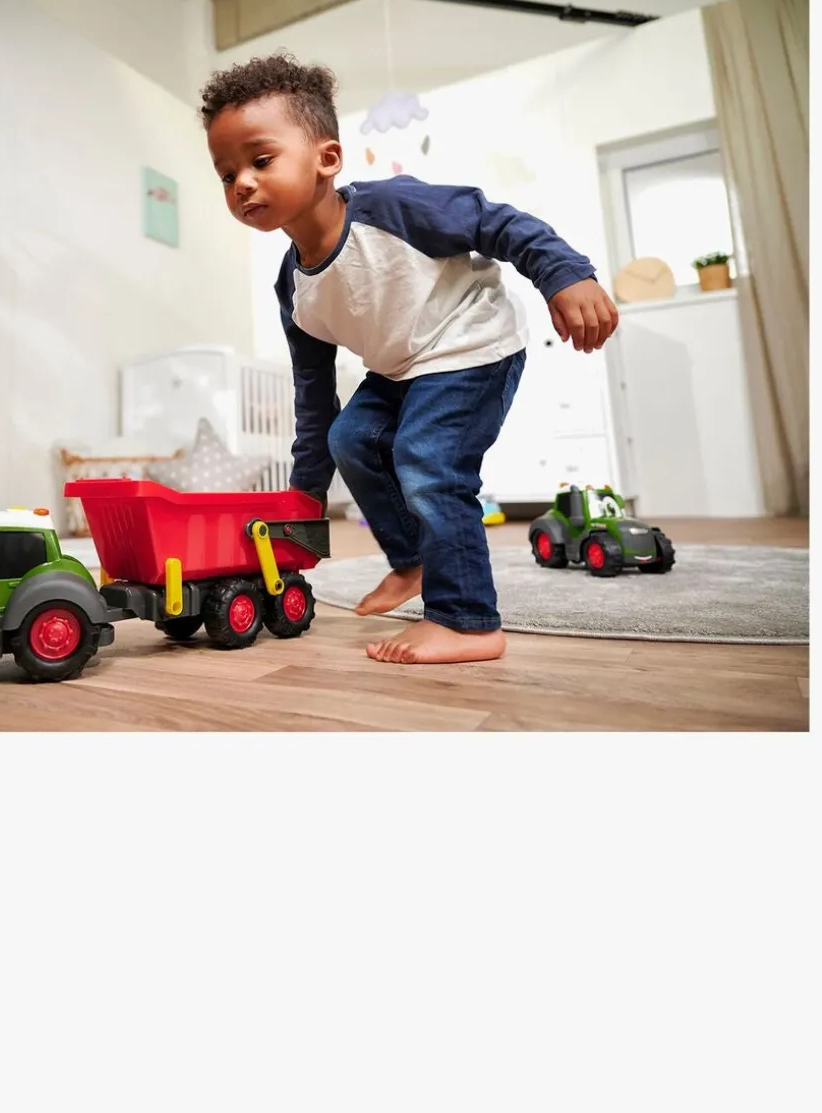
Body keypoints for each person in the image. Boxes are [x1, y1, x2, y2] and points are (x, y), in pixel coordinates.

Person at [200, 53, 619, 665]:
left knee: (426, 460)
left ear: (327, 159)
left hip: (471, 344)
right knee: (351, 439)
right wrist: (304, 495)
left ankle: (467, 621)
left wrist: (564, 275)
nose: (241, 183)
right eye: (226, 173)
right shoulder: (293, 287)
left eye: (260, 161)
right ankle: (416, 560)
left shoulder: (394, 209)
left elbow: (497, 222)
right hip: (402, 369)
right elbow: (314, 398)